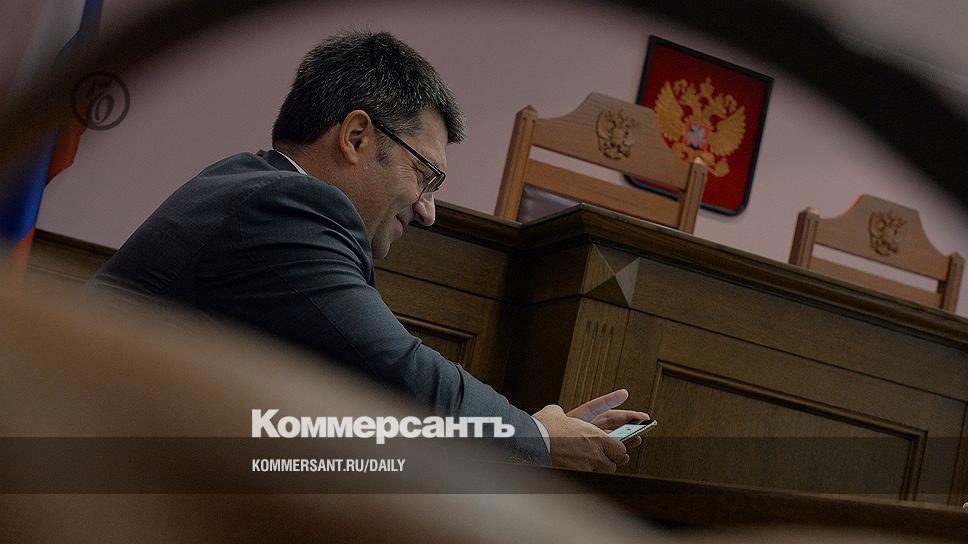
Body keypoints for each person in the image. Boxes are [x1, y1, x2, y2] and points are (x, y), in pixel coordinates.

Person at [87, 30, 647, 472]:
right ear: (356, 137)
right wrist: (538, 436)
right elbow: (399, 372)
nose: (428, 211)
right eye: (425, 175)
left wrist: (538, 434)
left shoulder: (256, 186)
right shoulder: (284, 207)